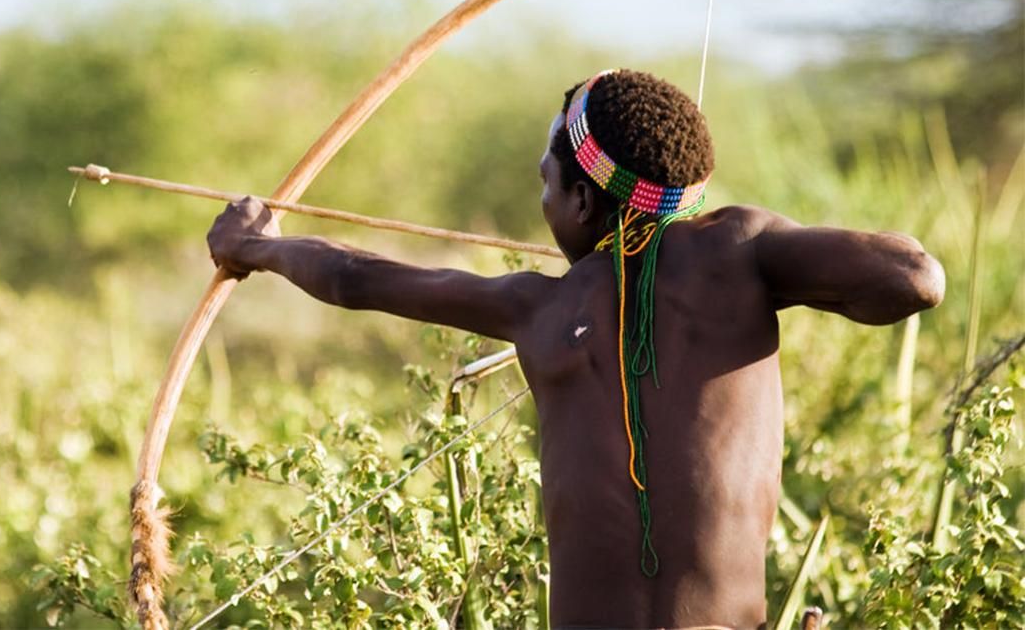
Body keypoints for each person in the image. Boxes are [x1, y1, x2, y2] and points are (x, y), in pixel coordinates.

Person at [206, 69, 945, 629]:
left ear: (584, 202)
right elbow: (914, 277)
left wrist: (256, 247)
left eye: (547, 185)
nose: (545, 202)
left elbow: (352, 275)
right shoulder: (739, 254)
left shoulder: (543, 305)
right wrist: (746, 244)